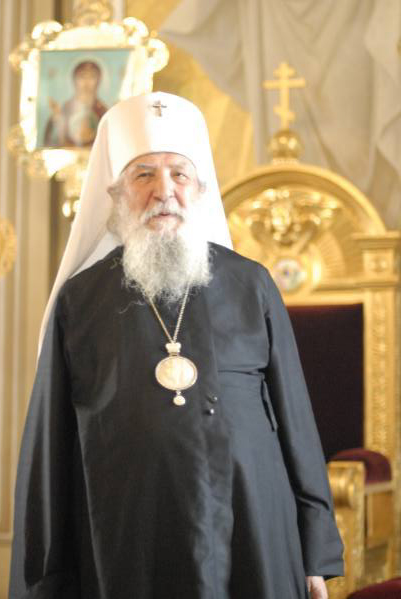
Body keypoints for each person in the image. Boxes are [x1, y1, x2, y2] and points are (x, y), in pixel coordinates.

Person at [9, 92, 343, 599]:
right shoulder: (79, 301)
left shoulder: (251, 284)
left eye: (179, 174)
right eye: (143, 174)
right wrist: (46, 580)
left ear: (200, 189)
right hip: (127, 536)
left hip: (253, 525)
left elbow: (296, 421)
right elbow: (50, 447)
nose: (164, 191)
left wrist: (315, 551)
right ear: (116, 194)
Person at [43, 60, 108, 148]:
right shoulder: (64, 110)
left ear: (98, 80)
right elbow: (51, 142)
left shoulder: (103, 110)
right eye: (82, 76)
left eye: (92, 77)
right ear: (74, 80)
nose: (86, 82)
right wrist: (58, 121)